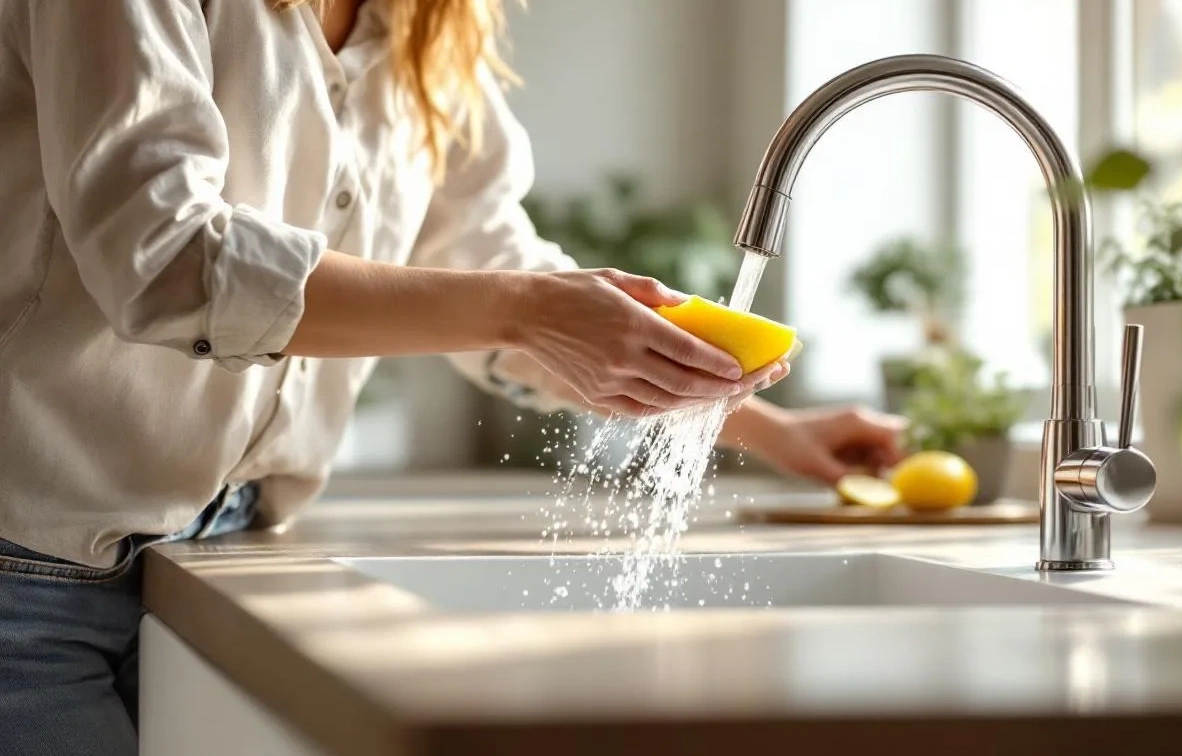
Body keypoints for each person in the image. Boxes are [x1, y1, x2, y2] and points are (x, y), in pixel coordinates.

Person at [0, 1, 907, 752]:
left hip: (213, 552)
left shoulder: (425, 22)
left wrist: (768, 429)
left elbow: (483, 260)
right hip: (26, 563)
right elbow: (165, 259)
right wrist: (525, 306)